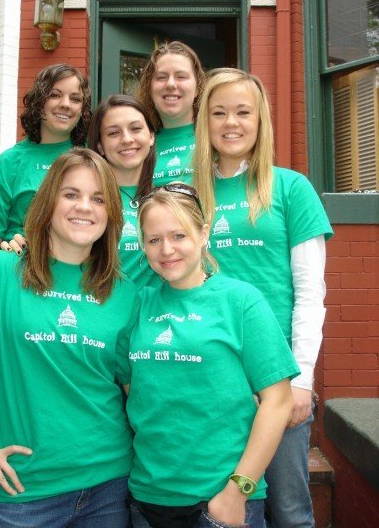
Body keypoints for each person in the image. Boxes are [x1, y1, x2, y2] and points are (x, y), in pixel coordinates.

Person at [0, 148, 138, 527]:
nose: (84, 207)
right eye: (71, 194)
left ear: (111, 214)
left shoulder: (123, 293)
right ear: (48, 201)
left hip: (109, 487)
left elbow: (134, 389)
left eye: (98, 199)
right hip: (23, 494)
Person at [193, 68, 334, 528]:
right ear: (205, 122)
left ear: (260, 120)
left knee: (288, 510)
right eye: (219, 113)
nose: (231, 123)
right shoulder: (190, 195)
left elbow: (310, 291)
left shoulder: (291, 188)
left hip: (276, 375)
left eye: (243, 112)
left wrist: (302, 378)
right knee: (223, 504)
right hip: (212, 372)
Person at [127, 183, 300, 528]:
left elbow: (278, 401)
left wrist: (238, 491)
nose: (166, 249)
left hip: (221, 500)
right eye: (154, 239)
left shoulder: (241, 300)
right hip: (149, 496)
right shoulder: (138, 304)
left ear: (204, 234)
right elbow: (132, 386)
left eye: (178, 235)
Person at [0, 63, 91, 258]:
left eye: (75, 99)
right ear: (38, 102)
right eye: (54, 95)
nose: (66, 104)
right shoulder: (9, 163)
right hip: (20, 266)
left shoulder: (93, 159)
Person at [88, 94, 158, 288]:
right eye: (113, 133)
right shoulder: (86, 202)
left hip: (155, 307)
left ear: (151, 136)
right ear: (100, 146)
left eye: (135, 129)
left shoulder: (167, 199)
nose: (127, 139)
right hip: (101, 304)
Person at [136, 41, 205, 186]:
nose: (171, 84)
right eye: (161, 77)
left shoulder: (215, 139)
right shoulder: (137, 144)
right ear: (149, 88)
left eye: (181, 76)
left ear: (197, 88)